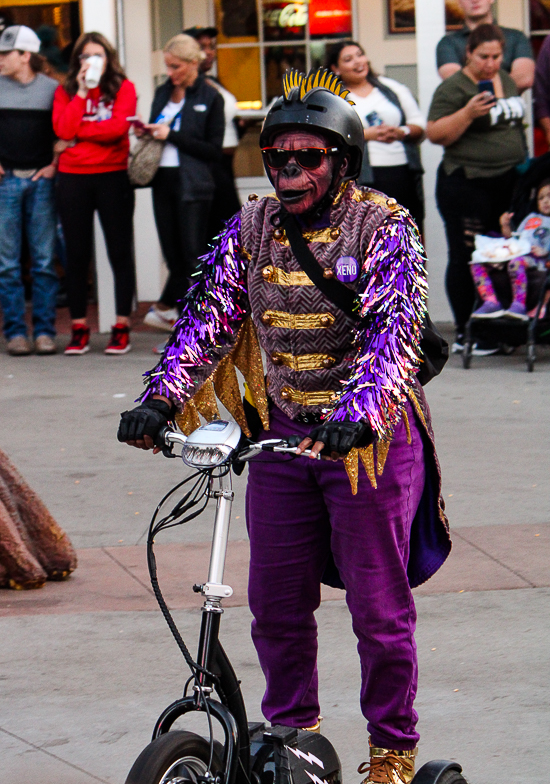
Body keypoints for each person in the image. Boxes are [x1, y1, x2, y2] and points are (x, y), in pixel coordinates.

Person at [118, 67, 451, 784]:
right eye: (280, 158)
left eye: (310, 157)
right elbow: (205, 320)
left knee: (378, 612)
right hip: (279, 438)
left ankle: (392, 752)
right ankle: (297, 741)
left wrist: (357, 418)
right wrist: (161, 399)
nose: (292, 171)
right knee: (273, 606)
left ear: (343, 160)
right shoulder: (252, 225)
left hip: (368, 445)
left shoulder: (384, 224)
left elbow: (395, 335)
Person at [427, 24, 526, 353]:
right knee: (468, 257)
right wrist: (468, 112)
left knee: (505, 256)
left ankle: (499, 331)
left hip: (507, 181)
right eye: (484, 56)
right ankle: (466, 331)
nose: (491, 63)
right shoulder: (454, 88)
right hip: (467, 183)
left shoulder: (507, 78)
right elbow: (435, 133)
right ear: (469, 54)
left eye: (497, 55)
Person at [53, 31, 136, 356]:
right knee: (76, 255)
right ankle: (78, 327)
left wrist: (78, 136)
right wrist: (83, 94)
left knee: (119, 252)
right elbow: (62, 129)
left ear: (108, 58)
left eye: (97, 55)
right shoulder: (67, 90)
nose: (91, 62)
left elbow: (118, 128)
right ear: (78, 60)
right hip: (73, 178)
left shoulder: (123, 87)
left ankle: (121, 326)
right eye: (86, 56)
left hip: (112, 176)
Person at [141, 34, 225, 335]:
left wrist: (171, 135)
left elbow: (214, 150)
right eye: (167, 66)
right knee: (173, 255)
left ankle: (199, 321)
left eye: (175, 66)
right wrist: (147, 132)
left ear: (193, 64)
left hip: (194, 182)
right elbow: (159, 129)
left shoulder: (209, 96)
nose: (170, 73)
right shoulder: (164, 92)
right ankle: (177, 316)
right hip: (162, 179)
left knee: (192, 254)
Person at [0, 25, 59, 356]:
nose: (1, 60)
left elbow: (65, 132)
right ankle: (16, 334)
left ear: (25, 56)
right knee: (7, 263)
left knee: (44, 262)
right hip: (5, 180)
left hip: (41, 183)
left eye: (6, 54)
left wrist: (53, 164)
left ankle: (46, 332)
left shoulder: (52, 90)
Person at [327, 40, 425, 231]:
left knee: (407, 232)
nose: (358, 62)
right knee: (369, 234)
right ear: (336, 68)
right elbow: (328, 137)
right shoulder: (333, 98)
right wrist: (365, 135)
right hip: (362, 178)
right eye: (348, 59)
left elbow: (419, 125)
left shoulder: (391, 89)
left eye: (360, 55)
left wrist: (401, 132)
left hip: (402, 172)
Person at [184, 25, 242, 238]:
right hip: (209, 167)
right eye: (202, 47)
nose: (209, 52)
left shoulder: (213, 82)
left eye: (212, 46)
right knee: (224, 233)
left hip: (226, 166)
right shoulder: (191, 88)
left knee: (230, 233)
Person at [470, 179, 550, 321]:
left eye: (549, 196)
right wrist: (505, 226)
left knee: (515, 262)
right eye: (541, 198)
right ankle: (491, 301)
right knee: (477, 263)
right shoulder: (531, 218)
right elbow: (514, 237)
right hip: (518, 251)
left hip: (537, 259)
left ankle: (519, 304)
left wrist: (545, 252)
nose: (545, 201)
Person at [436, 0, 534, 93]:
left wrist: (485, 91)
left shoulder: (516, 37)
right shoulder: (448, 43)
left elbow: (524, 78)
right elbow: (454, 81)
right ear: (459, 1)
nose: (474, 0)